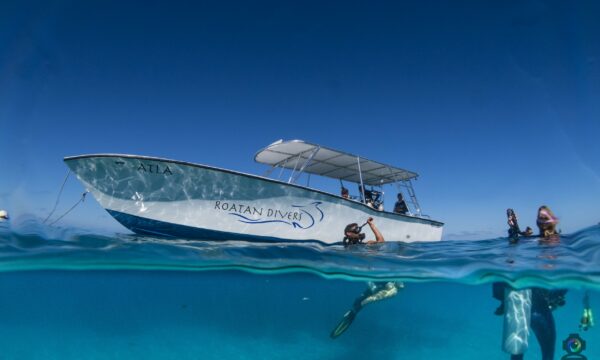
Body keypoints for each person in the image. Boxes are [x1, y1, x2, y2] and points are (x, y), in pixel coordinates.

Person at [332, 218, 402, 338]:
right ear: (349, 234)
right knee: (357, 301)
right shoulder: (348, 249)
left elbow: (381, 241)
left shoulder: (368, 245)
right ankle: (351, 315)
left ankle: (355, 311)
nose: (359, 231)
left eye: (359, 229)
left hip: (391, 285)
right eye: (356, 229)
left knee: (365, 301)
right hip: (377, 284)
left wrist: (371, 225)